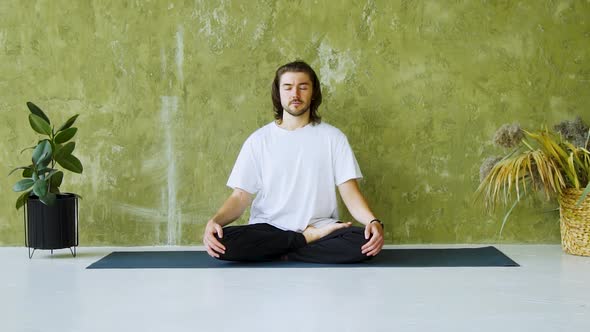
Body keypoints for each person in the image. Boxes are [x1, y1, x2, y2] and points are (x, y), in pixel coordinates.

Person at [202, 60, 384, 263]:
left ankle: (283, 249)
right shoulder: (258, 140)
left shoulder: (333, 138)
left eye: (303, 87)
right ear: (278, 93)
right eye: (288, 87)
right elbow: (239, 197)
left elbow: (350, 193)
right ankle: (303, 241)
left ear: (313, 93)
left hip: (321, 227)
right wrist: (214, 221)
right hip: (269, 228)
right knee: (222, 241)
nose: (295, 94)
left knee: (361, 241)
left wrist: (373, 221)